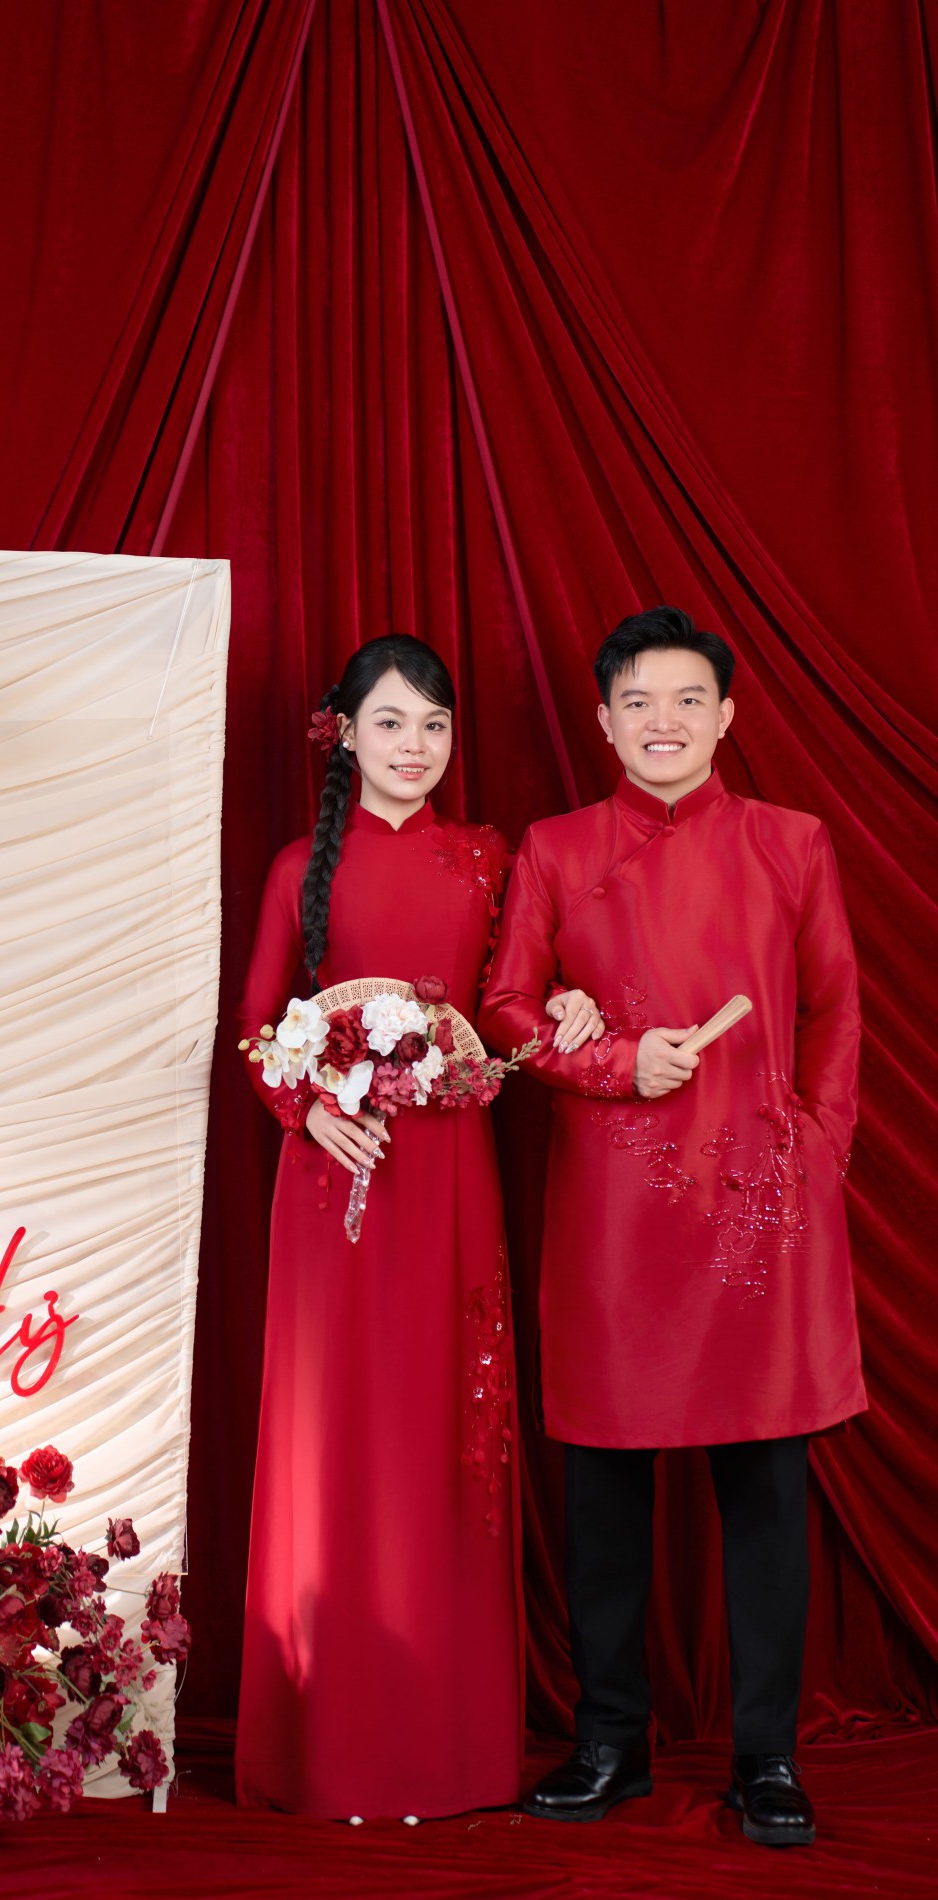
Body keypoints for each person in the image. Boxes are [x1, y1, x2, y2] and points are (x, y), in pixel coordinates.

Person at [478, 605, 866, 1850]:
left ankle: (767, 1755)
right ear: (603, 720)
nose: (663, 721)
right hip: (611, 1213)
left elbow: (835, 1010)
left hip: (760, 1207)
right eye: (638, 700)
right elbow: (504, 1008)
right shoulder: (553, 848)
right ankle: (610, 1743)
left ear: (726, 714)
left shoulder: (791, 842)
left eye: (687, 698)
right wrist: (611, 1061)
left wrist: (815, 1158)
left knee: (765, 1492)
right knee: (603, 1489)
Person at [234, 634, 602, 1820]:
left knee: (447, 1435)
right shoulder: (300, 867)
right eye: (389, 723)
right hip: (333, 1184)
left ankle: (451, 1749)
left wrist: (565, 1007)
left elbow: (512, 1000)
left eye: (433, 724)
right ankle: (325, 1747)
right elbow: (256, 1027)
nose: (414, 746)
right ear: (344, 733)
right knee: (335, 1439)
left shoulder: (487, 859)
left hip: (446, 1175)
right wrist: (303, 1110)